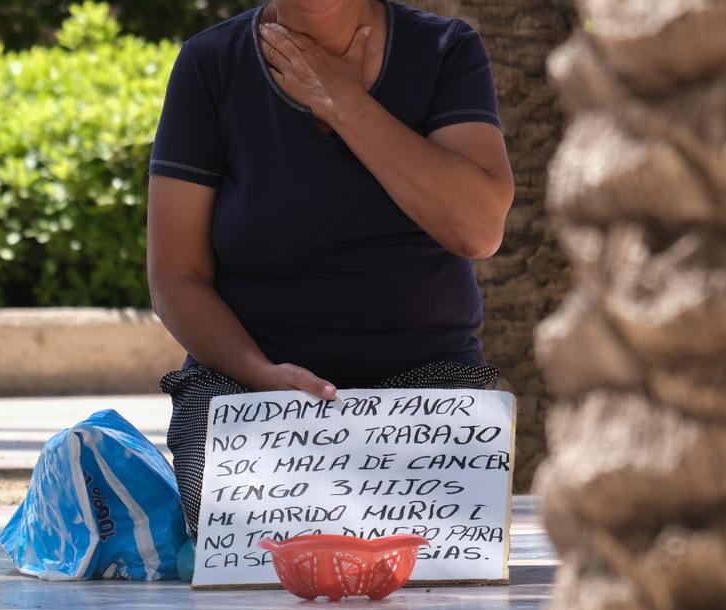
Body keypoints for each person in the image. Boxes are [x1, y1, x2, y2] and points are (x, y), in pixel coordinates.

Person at [145, 0, 515, 542]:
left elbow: (479, 230)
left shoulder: (445, 50)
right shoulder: (211, 64)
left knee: (432, 557)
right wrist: (260, 374)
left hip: (426, 389)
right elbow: (175, 276)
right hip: (250, 391)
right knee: (252, 552)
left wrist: (342, 102)